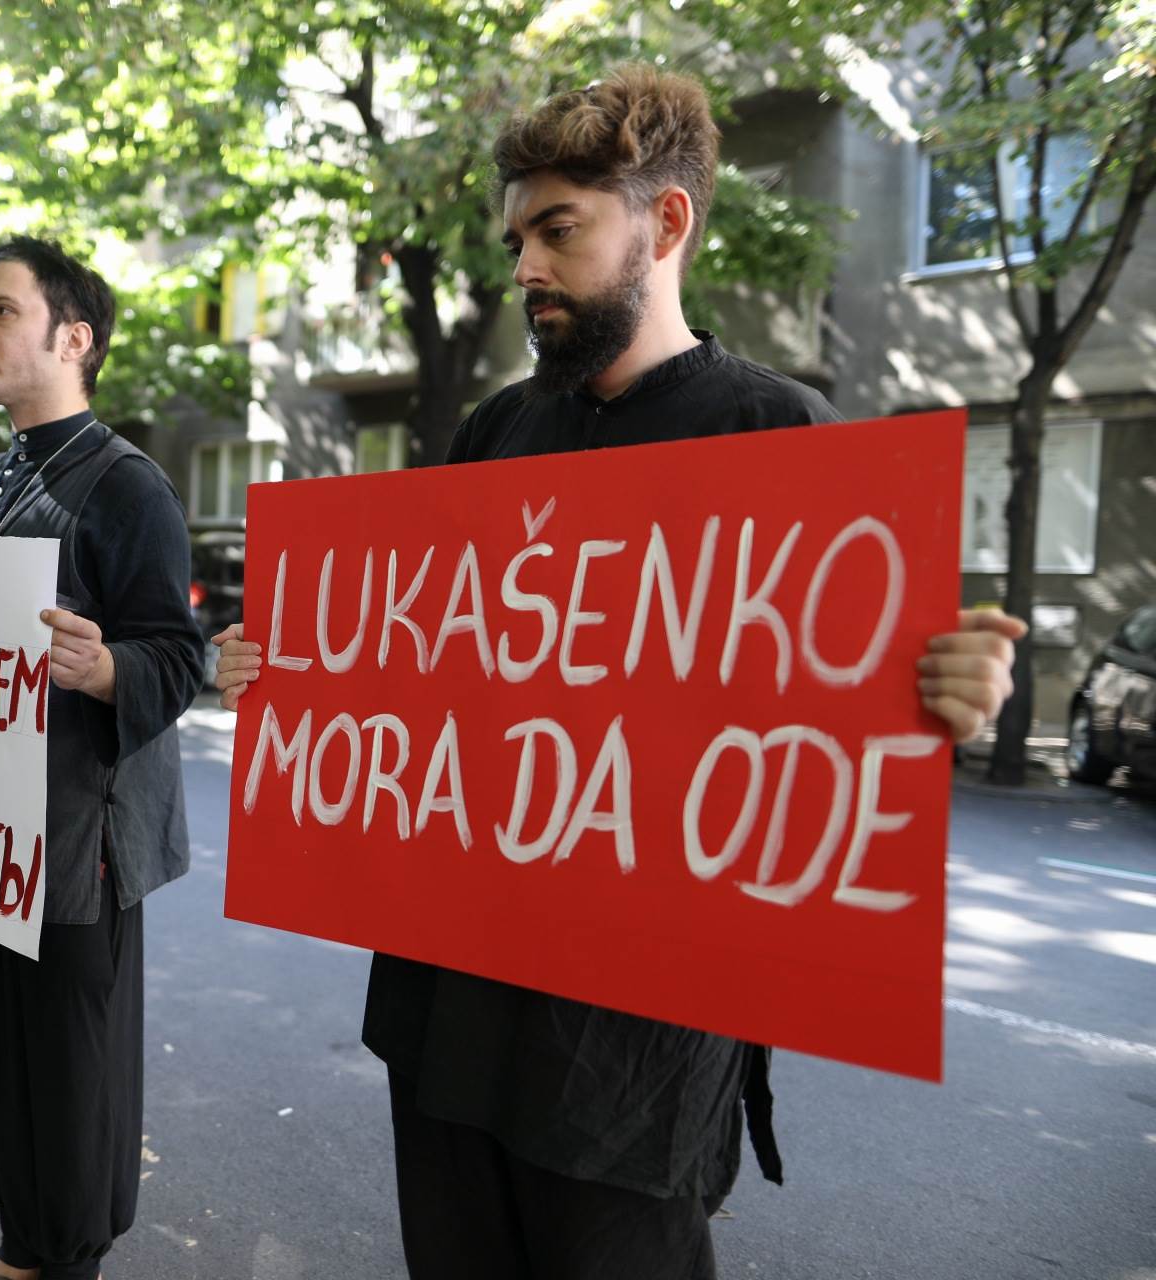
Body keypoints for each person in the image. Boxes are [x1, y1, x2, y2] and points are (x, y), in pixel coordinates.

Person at [212, 66, 1027, 1280]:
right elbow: (427, 672)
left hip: (626, 1063)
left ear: (667, 222)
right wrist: (283, 668)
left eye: (559, 229)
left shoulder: (778, 437)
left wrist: (941, 696)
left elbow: (822, 725)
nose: (526, 266)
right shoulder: (491, 431)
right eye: (516, 238)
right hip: (447, 1013)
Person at [0, 237, 204, 1280]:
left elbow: (179, 656)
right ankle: (26, 1242)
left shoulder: (128, 485)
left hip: (71, 845)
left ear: (72, 337)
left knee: (63, 1073)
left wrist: (103, 669)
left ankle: (60, 1251)